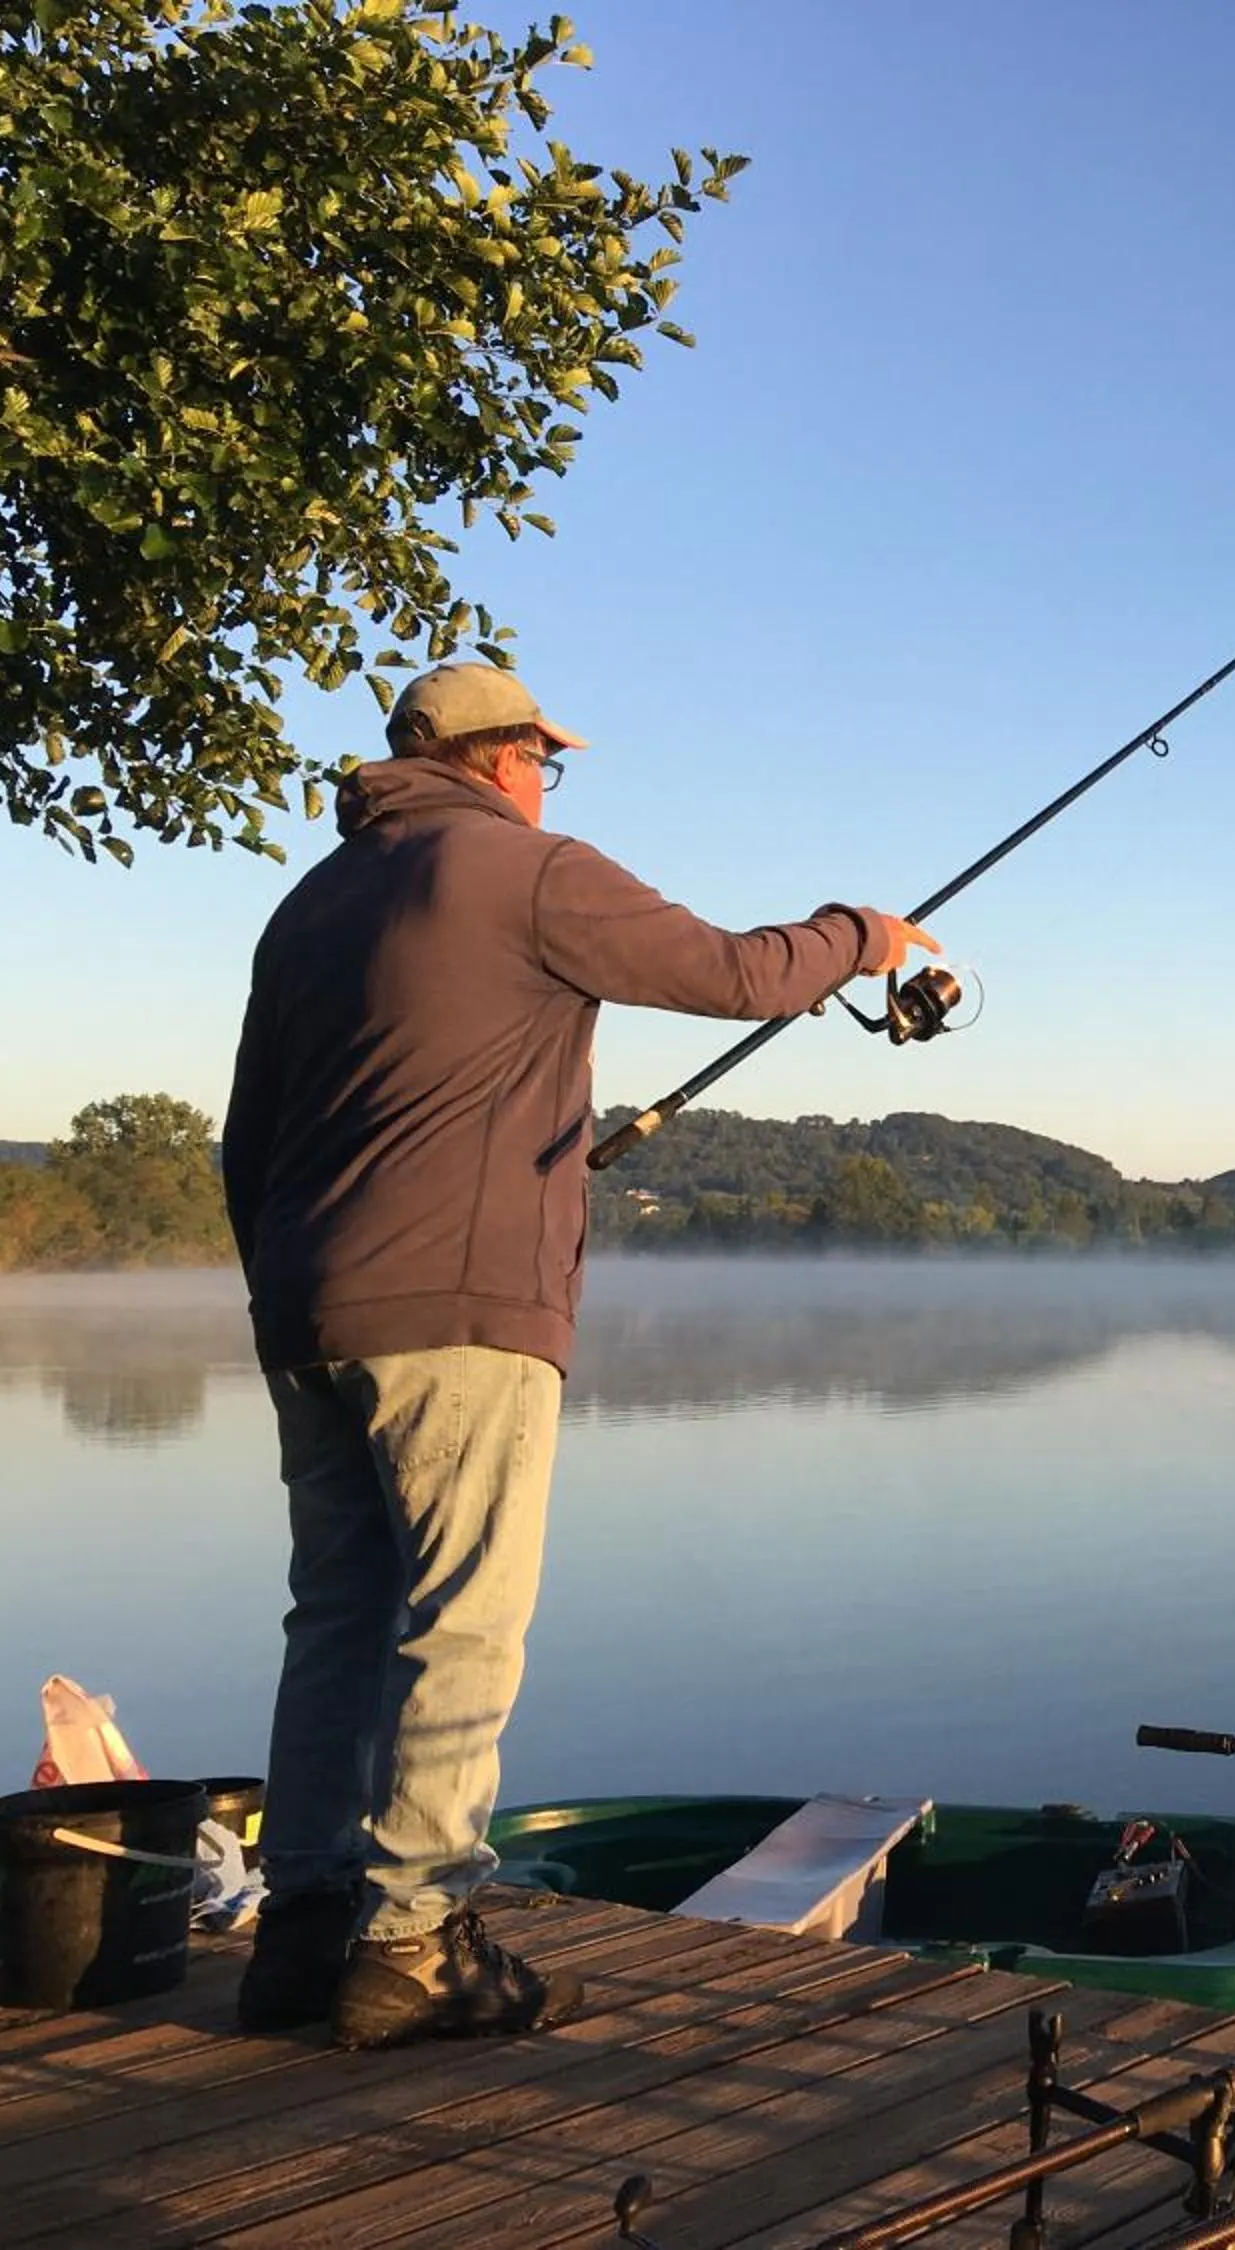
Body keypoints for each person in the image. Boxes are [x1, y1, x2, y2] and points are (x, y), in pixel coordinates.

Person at [220, 661, 933, 2048]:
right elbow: (735, 972)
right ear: (498, 760)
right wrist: (860, 933)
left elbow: (246, 1139)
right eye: (546, 757)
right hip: (461, 1312)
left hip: (308, 1314)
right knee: (460, 1616)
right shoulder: (524, 869)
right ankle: (416, 1937)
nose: (551, 779)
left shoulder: (303, 907)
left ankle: (303, 1928)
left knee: (340, 1615)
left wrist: (289, 1279)